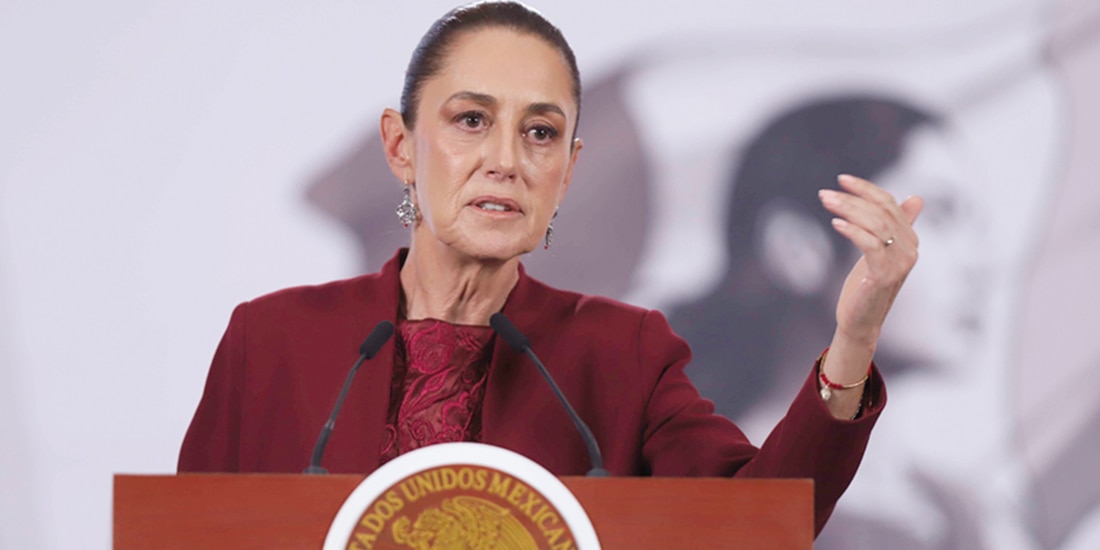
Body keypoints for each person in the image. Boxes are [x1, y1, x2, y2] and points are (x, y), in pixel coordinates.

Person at [178, 1, 924, 536]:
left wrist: (852, 342)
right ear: (403, 148)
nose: (506, 159)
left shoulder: (623, 352)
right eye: (471, 121)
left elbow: (759, 524)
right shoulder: (271, 340)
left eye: (540, 133)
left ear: (566, 171)